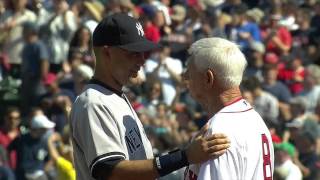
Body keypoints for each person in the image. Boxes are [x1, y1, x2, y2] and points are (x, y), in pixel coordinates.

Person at [70, 13, 230, 180]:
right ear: (107, 53)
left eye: (142, 53)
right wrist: (184, 156)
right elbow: (110, 171)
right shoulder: (93, 103)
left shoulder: (116, 97)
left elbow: (141, 163)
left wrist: (188, 151)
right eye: (133, 53)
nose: (142, 60)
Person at [183, 37, 274, 180]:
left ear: (208, 78)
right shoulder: (255, 120)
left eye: (190, 72)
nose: (185, 77)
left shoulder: (219, 132)